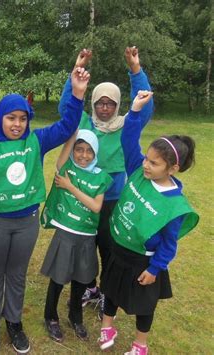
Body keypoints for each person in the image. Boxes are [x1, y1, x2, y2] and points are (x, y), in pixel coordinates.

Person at [0, 66, 90, 355]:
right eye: (10, 118)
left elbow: (67, 126)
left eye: (22, 118)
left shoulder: (37, 141)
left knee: (17, 274)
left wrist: (78, 93)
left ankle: (14, 322)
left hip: (26, 221)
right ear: (0, 118)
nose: (17, 124)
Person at [97, 90, 199, 354]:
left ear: (172, 169)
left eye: (154, 163)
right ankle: (107, 326)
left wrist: (156, 268)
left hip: (144, 261)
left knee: (144, 305)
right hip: (119, 249)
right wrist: (134, 111)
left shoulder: (174, 205)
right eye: (146, 158)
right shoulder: (138, 171)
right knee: (110, 288)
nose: (146, 164)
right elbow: (129, 139)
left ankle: (140, 344)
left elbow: (169, 242)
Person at [58, 47, 154, 317]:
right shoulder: (85, 123)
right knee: (84, 249)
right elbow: (67, 108)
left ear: (117, 105)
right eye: (100, 102)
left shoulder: (126, 125)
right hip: (83, 199)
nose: (104, 107)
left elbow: (144, 106)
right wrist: (75, 72)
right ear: (93, 104)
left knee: (110, 251)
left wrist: (136, 69)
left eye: (109, 103)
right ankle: (88, 287)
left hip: (112, 201)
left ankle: (108, 296)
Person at [40, 129, 112, 342]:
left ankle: (75, 316)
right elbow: (64, 153)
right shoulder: (67, 168)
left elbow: (96, 206)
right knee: (58, 279)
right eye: (79, 149)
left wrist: (70, 187)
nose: (83, 155)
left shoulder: (101, 177)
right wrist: (73, 133)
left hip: (87, 235)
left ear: (95, 153)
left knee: (81, 278)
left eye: (89, 151)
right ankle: (51, 317)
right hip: (66, 233)